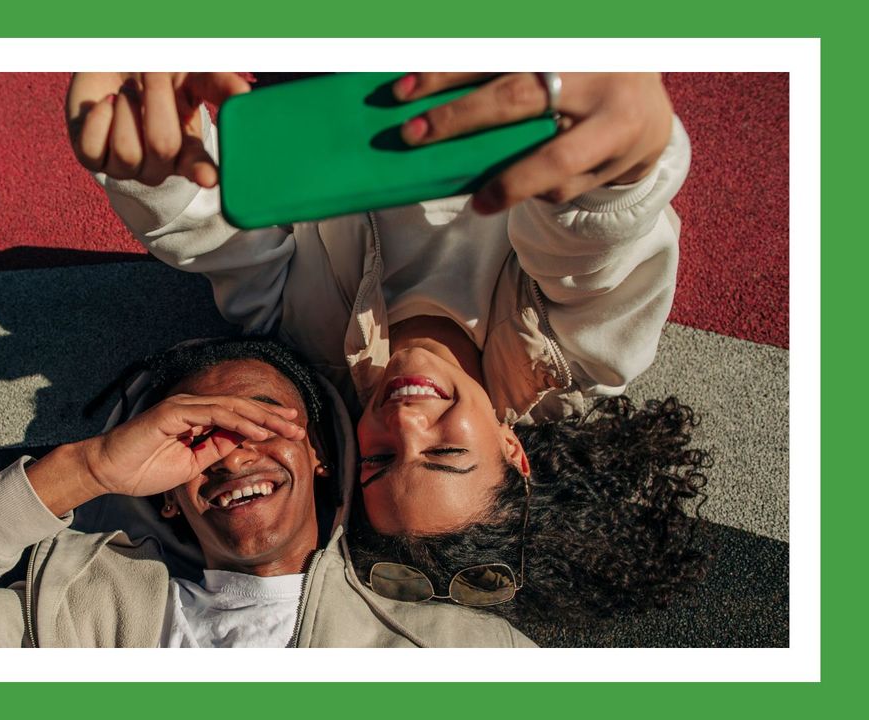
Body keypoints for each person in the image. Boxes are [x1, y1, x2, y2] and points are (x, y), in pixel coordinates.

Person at [66, 72, 709, 621]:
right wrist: (617, 166)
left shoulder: (306, 352)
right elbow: (593, 243)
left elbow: (222, 241)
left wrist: (152, 172)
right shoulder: (579, 357)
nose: (403, 421)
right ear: (515, 451)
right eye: (446, 449)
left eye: (377, 461)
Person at [0, 338, 535, 647]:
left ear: (322, 458)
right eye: (197, 438)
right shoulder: (60, 621)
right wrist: (83, 472)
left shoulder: (448, 650)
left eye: (266, 422)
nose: (234, 454)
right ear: (166, 495)